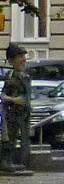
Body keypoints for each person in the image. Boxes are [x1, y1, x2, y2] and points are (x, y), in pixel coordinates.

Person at [2, 44, 31, 175]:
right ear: (11, 61)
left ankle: (16, 161)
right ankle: (5, 161)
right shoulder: (10, 77)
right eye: (20, 56)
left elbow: (27, 96)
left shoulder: (25, 77)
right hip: (12, 113)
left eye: (23, 56)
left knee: (21, 138)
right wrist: (13, 99)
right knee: (9, 137)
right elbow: (3, 95)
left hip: (23, 113)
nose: (23, 59)